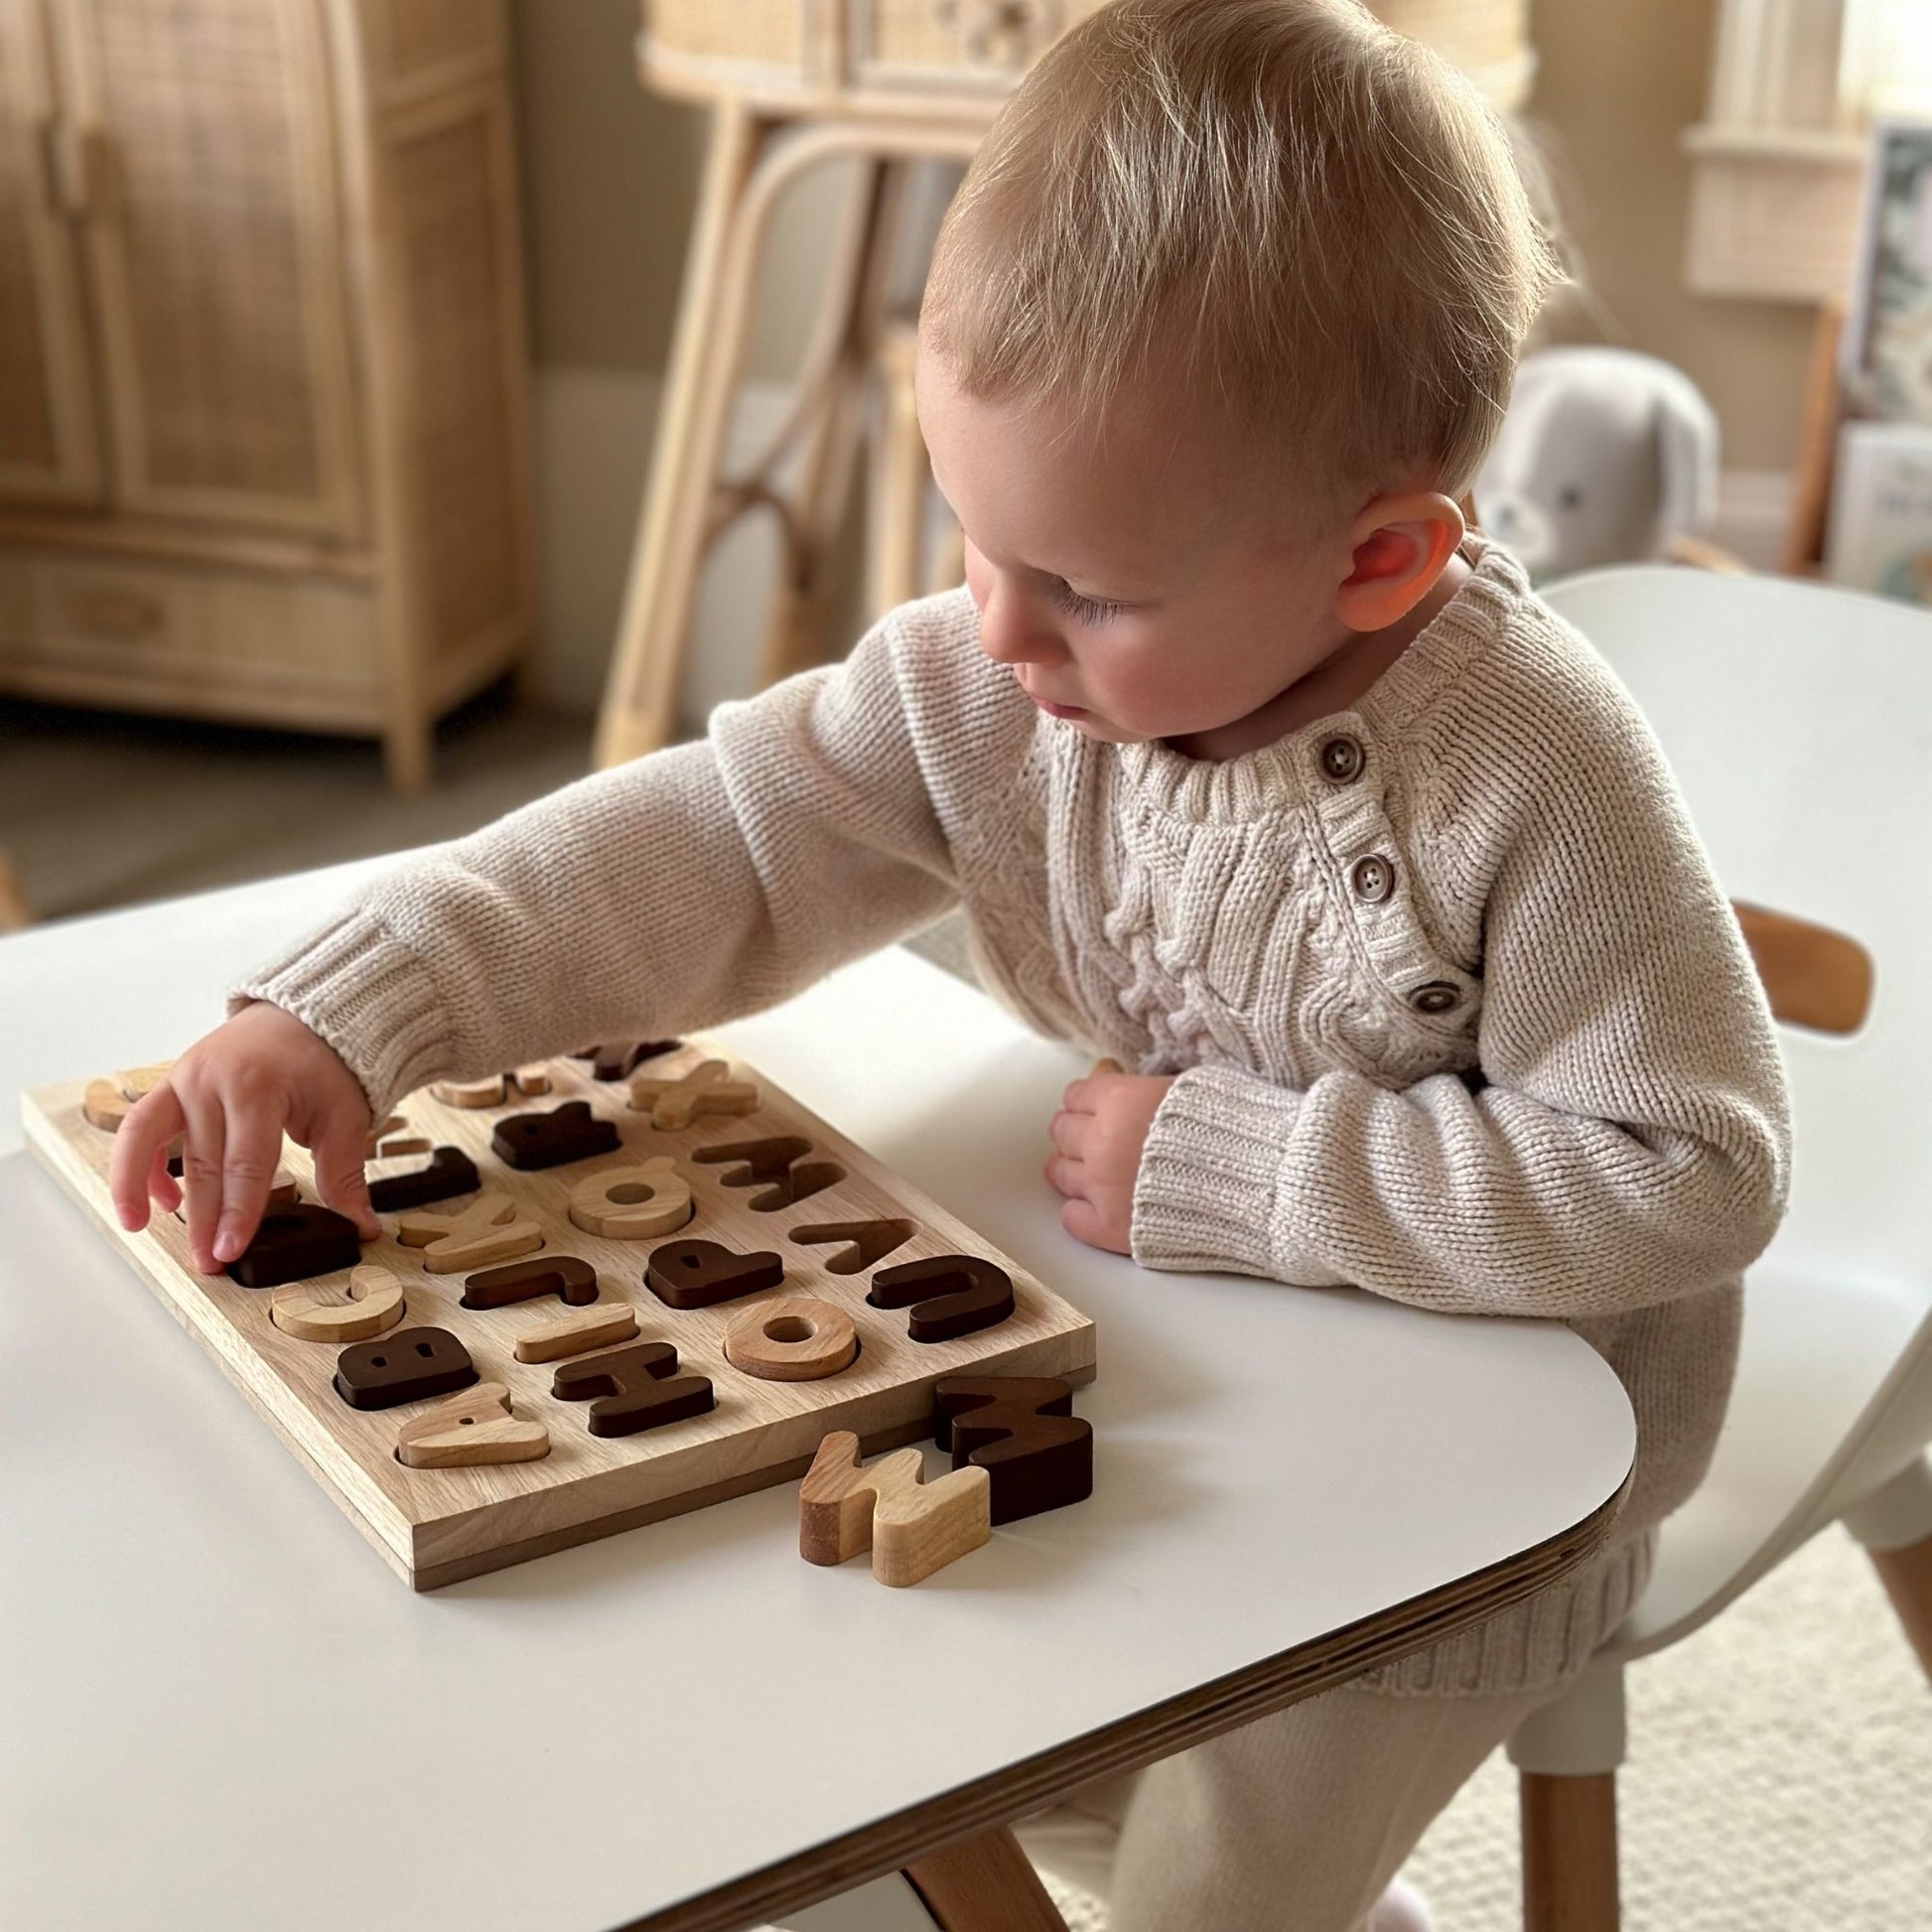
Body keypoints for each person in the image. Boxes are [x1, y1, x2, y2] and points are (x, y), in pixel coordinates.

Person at [108, 2, 1790, 1924]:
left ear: (1381, 563)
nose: (996, 627)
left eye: (1086, 585)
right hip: (1184, 1378)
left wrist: (1232, 1165)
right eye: (967, 531)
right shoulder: (1003, 673)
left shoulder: (1534, 770)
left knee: (1202, 1887)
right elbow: (718, 839)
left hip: (1475, 1497)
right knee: (904, 1775)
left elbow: (1695, 1171)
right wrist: (357, 1000)